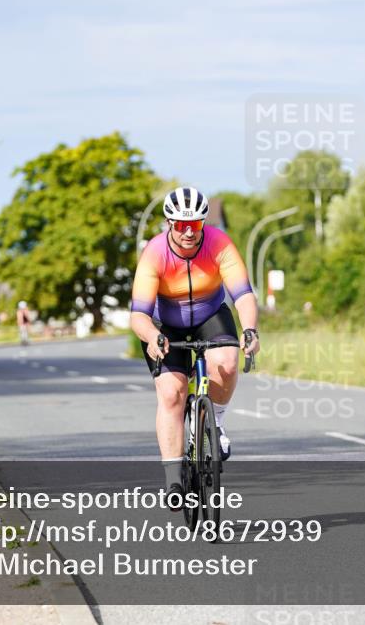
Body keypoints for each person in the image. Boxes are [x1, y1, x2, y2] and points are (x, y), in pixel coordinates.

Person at [130, 187, 260, 505]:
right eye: (180, 225)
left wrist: (250, 330)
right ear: (168, 223)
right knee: (172, 394)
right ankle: (174, 480)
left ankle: (214, 422)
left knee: (227, 364)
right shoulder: (154, 253)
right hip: (165, 324)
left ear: (203, 223)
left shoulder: (219, 244)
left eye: (195, 225)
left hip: (210, 314)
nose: (189, 232)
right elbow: (138, 315)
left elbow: (242, 294)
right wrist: (152, 337)